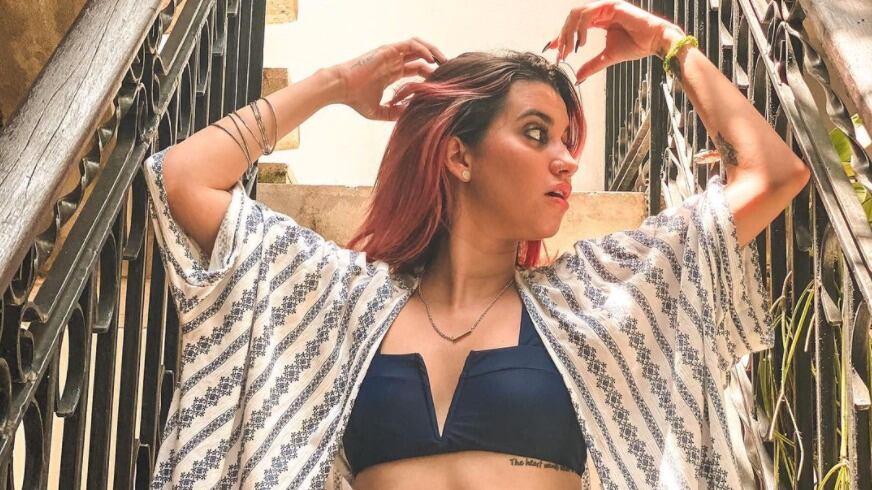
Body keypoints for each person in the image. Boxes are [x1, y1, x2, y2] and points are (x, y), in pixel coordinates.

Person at [142, 1, 809, 488]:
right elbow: (181, 179)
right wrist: (334, 85)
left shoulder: (595, 293)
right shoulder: (342, 301)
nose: (567, 161)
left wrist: (667, 41)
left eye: (567, 141)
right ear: (459, 156)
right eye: (536, 133)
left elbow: (773, 175)